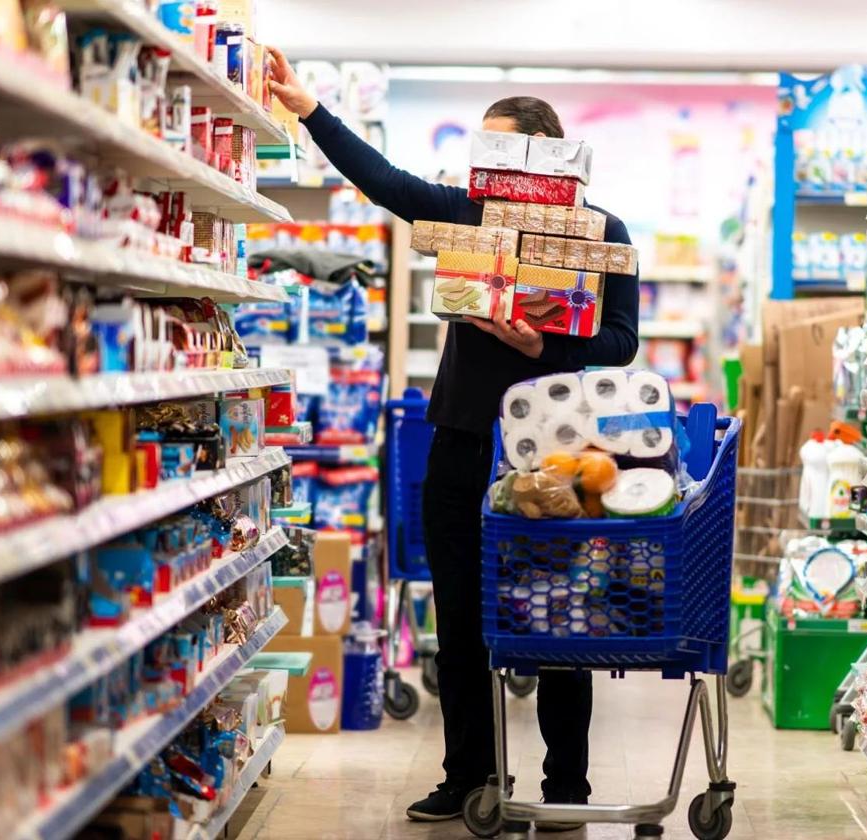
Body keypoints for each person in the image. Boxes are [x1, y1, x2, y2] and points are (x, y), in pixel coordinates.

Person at [268, 48, 641, 829]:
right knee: (461, 619)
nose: (486, 171)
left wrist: (548, 348)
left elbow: (623, 342)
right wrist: (309, 110)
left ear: (546, 156)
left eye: (499, 152)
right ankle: (466, 773)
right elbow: (387, 183)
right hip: (463, 443)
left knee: (559, 617)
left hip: (556, 456)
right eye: (482, 156)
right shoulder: (469, 216)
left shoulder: (602, 234)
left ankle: (565, 787)